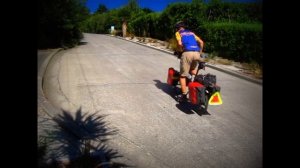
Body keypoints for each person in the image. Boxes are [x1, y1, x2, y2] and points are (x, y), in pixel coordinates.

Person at [174, 21, 204, 102]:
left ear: (178, 28)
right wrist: (200, 53)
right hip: (197, 53)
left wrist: (180, 51)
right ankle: (198, 85)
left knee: (182, 75)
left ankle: (184, 95)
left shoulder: (178, 33)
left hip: (187, 53)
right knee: (192, 70)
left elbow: (180, 44)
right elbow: (201, 42)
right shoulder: (191, 33)